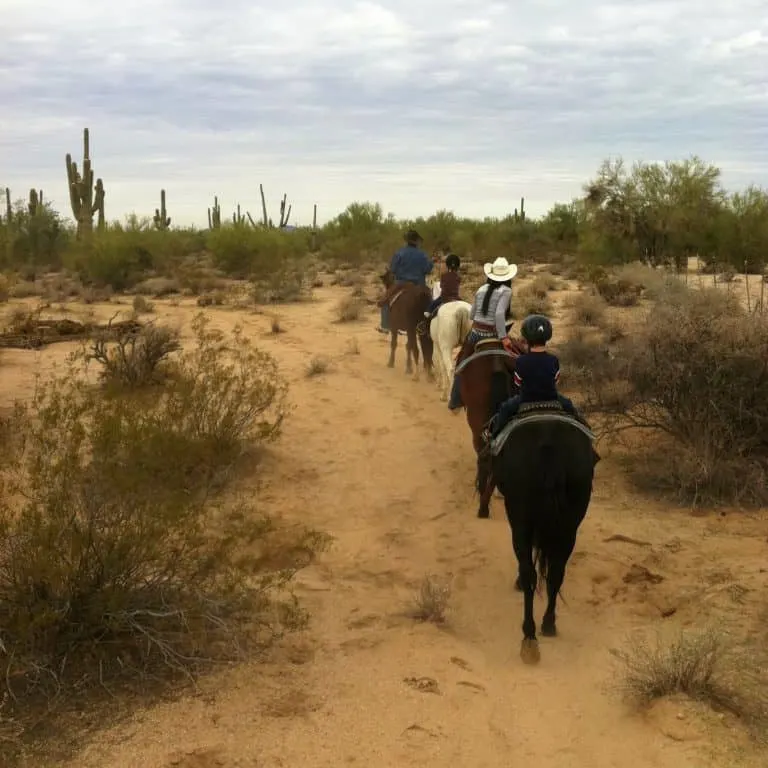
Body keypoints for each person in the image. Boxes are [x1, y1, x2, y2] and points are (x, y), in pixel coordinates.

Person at [488, 313, 586, 438]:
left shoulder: (520, 361)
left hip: (525, 399)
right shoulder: (553, 359)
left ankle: (494, 438)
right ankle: (585, 434)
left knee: (505, 409)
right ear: (547, 336)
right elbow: (556, 381)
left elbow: (518, 383)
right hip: (552, 398)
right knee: (572, 409)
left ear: (526, 338)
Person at [447, 256, 518, 411]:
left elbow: (472, 314)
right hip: (493, 335)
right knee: (516, 362)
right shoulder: (506, 291)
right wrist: (504, 337)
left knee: (461, 363)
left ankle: (455, 400)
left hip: (475, 334)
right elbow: (499, 314)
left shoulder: (481, 289)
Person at [377, 229, 434, 333]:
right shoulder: (423, 255)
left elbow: (393, 269)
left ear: (406, 241)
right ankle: (429, 324)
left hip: (402, 284)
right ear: (416, 241)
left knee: (385, 300)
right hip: (419, 285)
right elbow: (428, 270)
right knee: (432, 302)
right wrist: (431, 263)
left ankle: (385, 326)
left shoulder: (399, 253)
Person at [424, 253, 462, 321]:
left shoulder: (444, 276)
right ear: (457, 266)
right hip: (456, 297)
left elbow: (441, 286)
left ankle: (428, 313)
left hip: (445, 297)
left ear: (447, 266)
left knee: (434, 303)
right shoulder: (458, 277)